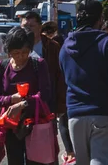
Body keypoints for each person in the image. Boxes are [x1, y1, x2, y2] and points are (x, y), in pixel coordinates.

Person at [59, 0, 108, 165]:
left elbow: (64, 82)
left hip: (75, 117)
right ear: (100, 19)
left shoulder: (65, 48)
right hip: (103, 115)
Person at [0, 27, 52, 165]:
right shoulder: (1, 67)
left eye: (25, 52)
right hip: (12, 126)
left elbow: (45, 93)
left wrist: (22, 104)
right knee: (15, 161)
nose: (21, 56)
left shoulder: (38, 65)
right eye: (16, 53)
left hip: (36, 123)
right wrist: (11, 99)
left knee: (37, 161)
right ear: (9, 52)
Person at [21, 12, 69, 163]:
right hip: (22, 106)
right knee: (23, 149)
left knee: (47, 148)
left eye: (31, 26)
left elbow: (60, 77)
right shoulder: (16, 46)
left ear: (40, 27)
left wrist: (61, 105)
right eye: (24, 26)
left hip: (46, 106)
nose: (27, 29)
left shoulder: (52, 46)